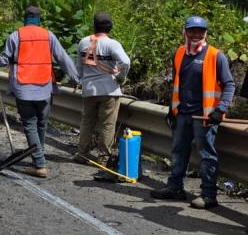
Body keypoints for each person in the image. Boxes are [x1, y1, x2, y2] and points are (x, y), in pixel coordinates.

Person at [150, 16, 235, 209]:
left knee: (206, 156)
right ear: (185, 31)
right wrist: (172, 109)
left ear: (206, 33)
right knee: (178, 152)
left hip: (205, 116)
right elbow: (176, 83)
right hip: (182, 113)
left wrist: (221, 109)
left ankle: (209, 195)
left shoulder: (215, 55)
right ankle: (175, 188)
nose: (196, 34)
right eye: (192, 30)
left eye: (200, 31)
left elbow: (229, 85)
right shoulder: (179, 53)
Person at [0, 6, 79, 178]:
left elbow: (4, 60)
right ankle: (39, 156)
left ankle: (39, 164)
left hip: (23, 88)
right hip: (44, 87)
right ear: (39, 19)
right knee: (41, 124)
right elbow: (63, 58)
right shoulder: (48, 35)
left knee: (30, 124)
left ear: (25, 18)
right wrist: (75, 78)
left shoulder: (16, 35)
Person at [72, 12, 131, 178]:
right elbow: (126, 62)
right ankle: (103, 158)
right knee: (107, 125)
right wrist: (121, 77)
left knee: (87, 122)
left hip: (89, 89)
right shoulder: (112, 44)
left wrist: (81, 80)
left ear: (94, 26)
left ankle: (82, 153)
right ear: (110, 27)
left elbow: (79, 67)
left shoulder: (84, 42)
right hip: (108, 90)